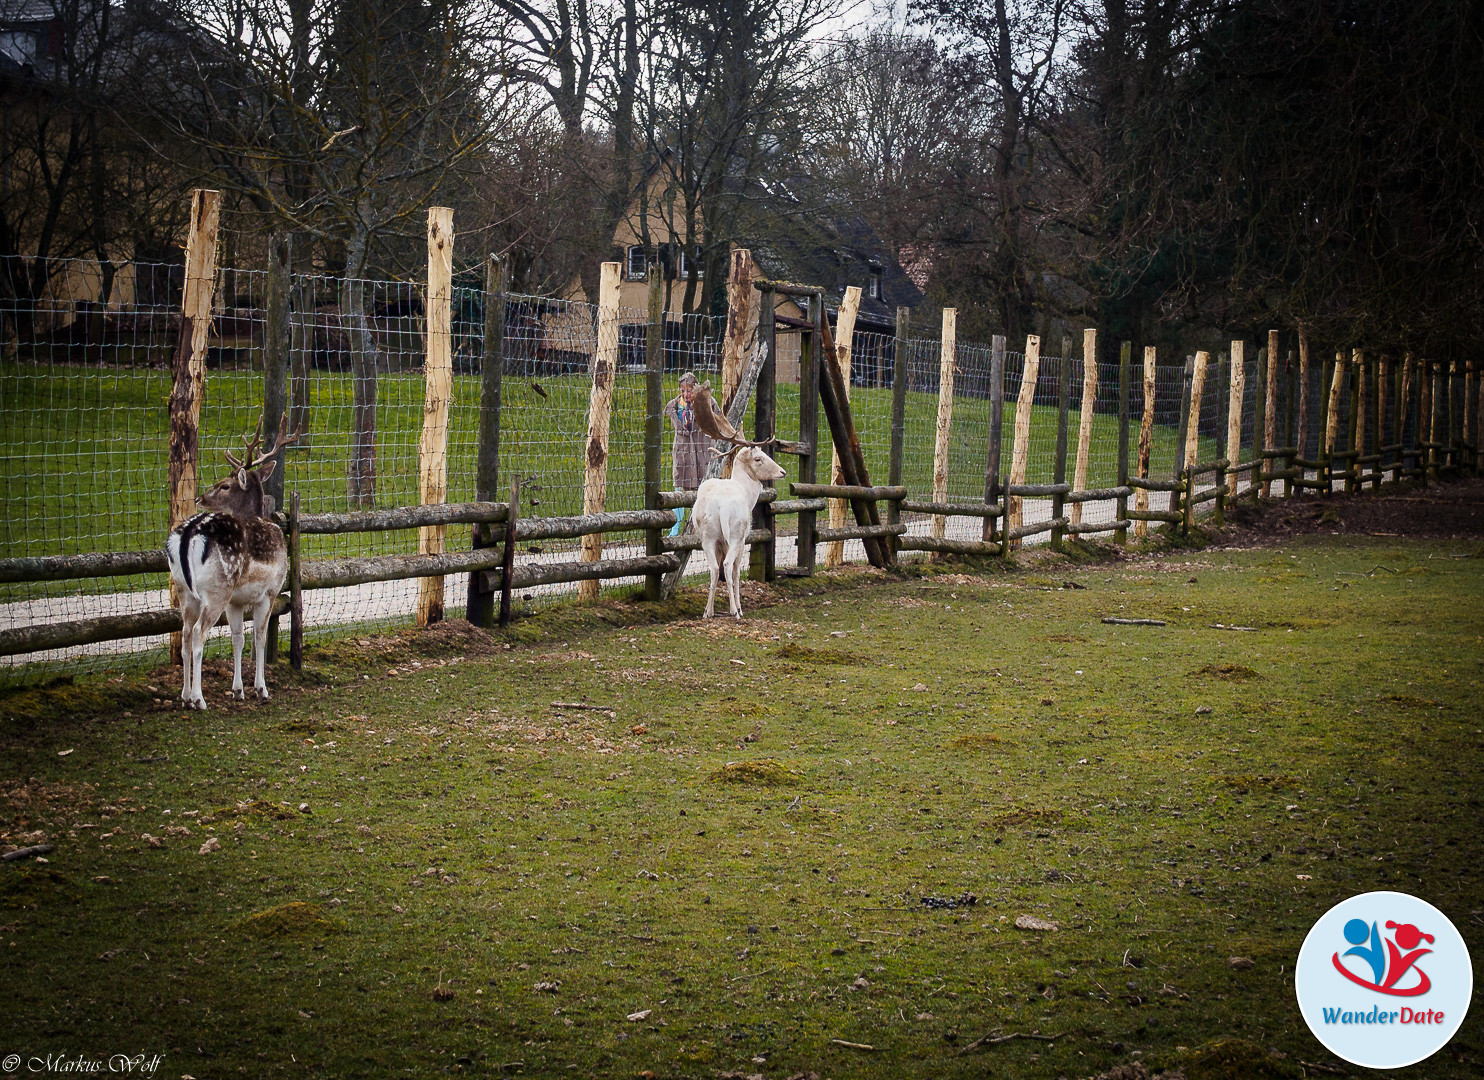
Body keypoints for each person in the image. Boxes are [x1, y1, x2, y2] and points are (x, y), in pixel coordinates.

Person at [663, 372, 709, 536]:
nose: (685, 394)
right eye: (682, 390)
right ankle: (675, 528)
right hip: (682, 455)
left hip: (701, 454)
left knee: (702, 491)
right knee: (679, 491)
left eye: (689, 390)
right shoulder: (674, 407)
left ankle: (698, 528)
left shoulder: (705, 404)